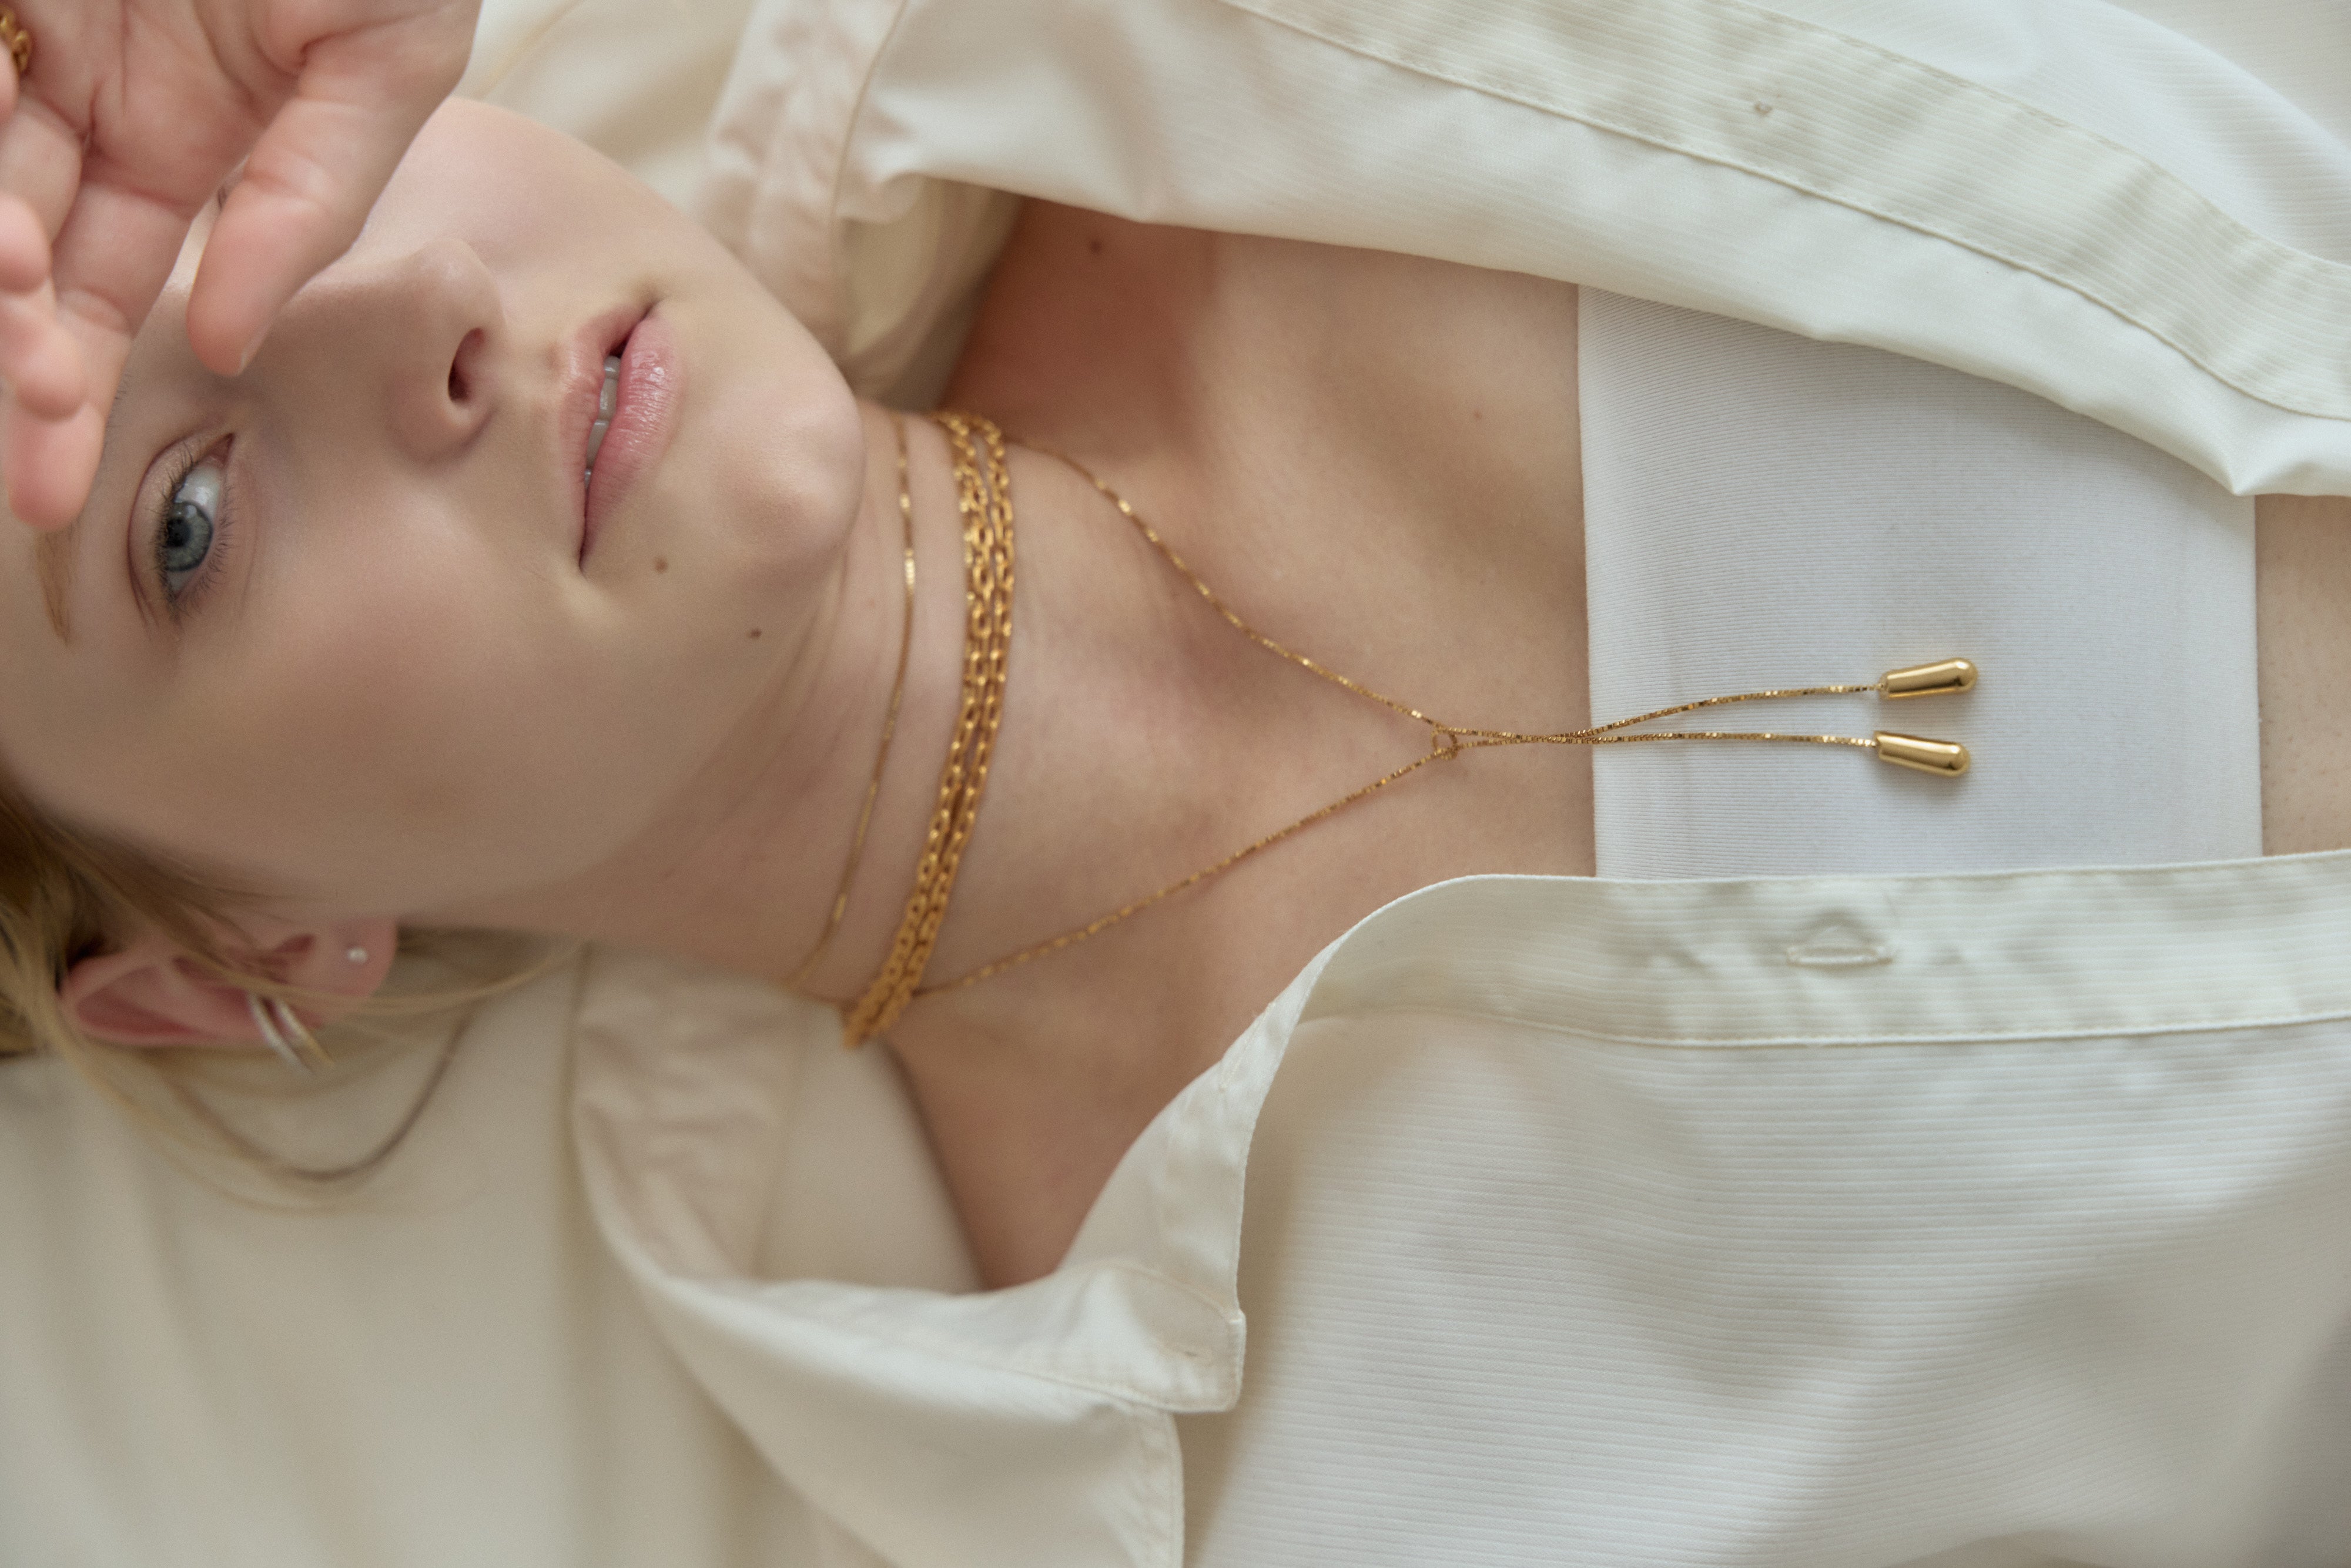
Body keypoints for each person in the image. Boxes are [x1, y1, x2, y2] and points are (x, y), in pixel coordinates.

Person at [8, 0, 2351, 1563]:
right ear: (229, 957)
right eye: (185, 525)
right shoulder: (1304, 1473)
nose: (403, 304)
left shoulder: (1140, 55)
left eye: (261, 193)